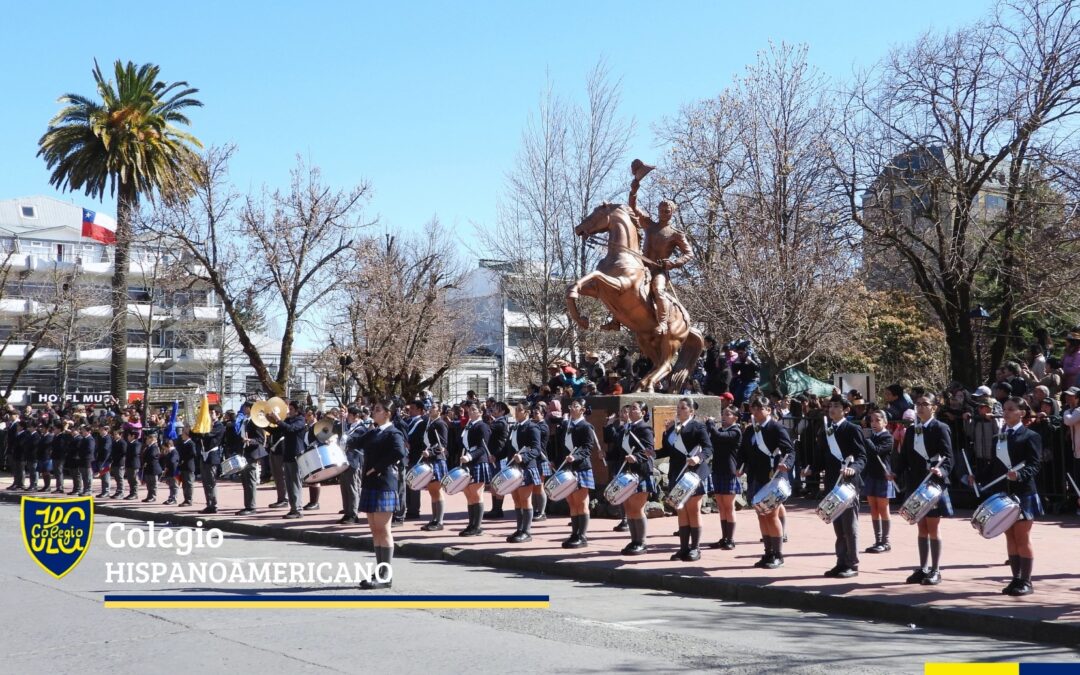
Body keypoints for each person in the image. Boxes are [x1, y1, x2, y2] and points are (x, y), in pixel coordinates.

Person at [965, 397, 1043, 595]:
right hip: (1003, 493)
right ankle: (1015, 579)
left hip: (1023, 491)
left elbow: (1035, 464)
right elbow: (994, 466)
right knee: (1009, 536)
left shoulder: (1030, 436)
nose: (1006, 412)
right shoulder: (999, 437)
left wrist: (1019, 475)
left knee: (1022, 537)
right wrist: (978, 477)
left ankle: (1026, 581)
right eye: (1004, 409)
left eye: (1010, 409)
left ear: (1022, 413)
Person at [891, 393, 953, 586]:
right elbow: (905, 457)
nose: (920, 407)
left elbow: (949, 456)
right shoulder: (911, 431)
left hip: (933, 483)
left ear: (934, 407)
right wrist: (895, 472)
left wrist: (941, 470)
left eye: (925, 404)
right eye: (918, 404)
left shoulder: (941, 428)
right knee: (921, 526)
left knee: (933, 527)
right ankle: (923, 567)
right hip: (916, 482)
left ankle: (936, 570)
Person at [803, 396, 867, 578]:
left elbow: (862, 457)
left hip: (848, 484)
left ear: (846, 410)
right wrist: (811, 469)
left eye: (836, 406)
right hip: (832, 482)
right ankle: (841, 562)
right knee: (838, 526)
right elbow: (821, 458)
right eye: (830, 406)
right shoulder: (826, 432)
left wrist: (852, 469)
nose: (832, 409)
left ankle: (852, 564)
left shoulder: (852, 429)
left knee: (849, 526)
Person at [625, 172, 693, 335]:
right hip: (642, 265)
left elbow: (689, 253)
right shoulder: (649, 224)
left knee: (659, 290)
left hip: (659, 270)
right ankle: (615, 320)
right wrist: (634, 189)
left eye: (667, 210)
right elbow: (633, 207)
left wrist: (673, 262)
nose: (663, 212)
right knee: (622, 281)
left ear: (672, 212)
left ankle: (662, 323)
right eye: (661, 210)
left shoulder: (676, 233)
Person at [737, 395, 795, 569]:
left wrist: (786, 464)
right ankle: (767, 552)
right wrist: (739, 466)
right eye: (753, 408)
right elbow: (743, 452)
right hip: (756, 476)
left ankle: (778, 554)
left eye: (759, 408)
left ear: (768, 410)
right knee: (761, 514)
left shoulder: (776, 428)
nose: (755, 411)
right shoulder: (749, 430)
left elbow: (789, 450)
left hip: (773, 477)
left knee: (772, 514)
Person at [358, 400, 407, 590]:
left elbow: (399, 452)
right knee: (374, 529)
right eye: (374, 409)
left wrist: (377, 468)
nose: (373, 411)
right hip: (371, 483)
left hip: (384, 483)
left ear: (387, 413)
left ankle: (386, 575)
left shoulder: (393, 432)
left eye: (377, 409)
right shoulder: (373, 431)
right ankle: (379, 570)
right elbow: (357, 443)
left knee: (383, 529)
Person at [659, 397, 713, 562]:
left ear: (691, 411)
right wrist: (651, 453)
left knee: (693, 510)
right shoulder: (672, 429)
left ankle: (695, 549)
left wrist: (698, 458)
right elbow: (667, 451)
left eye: (683, 408)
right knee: (681, 510)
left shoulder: (698, 426)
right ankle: (683, 548)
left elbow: (708, 448)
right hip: (677, 472)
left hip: (693, 473)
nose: (679, 410)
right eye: (678, 407)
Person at [553, 398, 597, 548]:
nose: (571, 408)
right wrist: (556, 461)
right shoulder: (566, 425)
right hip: (567, 467)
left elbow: (588, 448)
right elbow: (560, 446)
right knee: (571, 501)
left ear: (582, 410)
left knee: (581, 502)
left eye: (575, 406)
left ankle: (582, 535)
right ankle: (574, 533)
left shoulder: (586, 426)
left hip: (581, 467)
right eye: (571, 406)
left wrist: (575, 456)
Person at [501, 402, 544, 543]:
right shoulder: (514, 427)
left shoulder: (532, 427)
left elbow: (537, 449)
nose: (517, 412)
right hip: (513, 468)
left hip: (526, 467)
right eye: (516, 410)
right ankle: (519, 529)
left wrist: (523, 457)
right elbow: (509, 447)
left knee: (525, 499)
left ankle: (526, 531)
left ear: (526, 412)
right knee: (516, 499)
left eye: (519, 410)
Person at [616, 401, 655, 555]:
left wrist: (637, 457)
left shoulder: (645, 429)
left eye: (634, 409)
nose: (631, 411)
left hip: (641, 472)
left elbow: (649, 451)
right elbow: (619, 450)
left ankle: (642, 542)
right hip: (626, 472)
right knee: (629, 509)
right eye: (630, 408)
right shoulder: (625, 428)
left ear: (643, 412)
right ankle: (634, 540)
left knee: (637, 508)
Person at [706, 405, 742, 550]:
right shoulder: (719, 430)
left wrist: (711, 425)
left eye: (728, 414)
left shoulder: (736, 431)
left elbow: (720, 437)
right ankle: (724, 537)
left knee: (729, 506)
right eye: (723, 413)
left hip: (729, 471)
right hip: (718, 469)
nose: (724, 416)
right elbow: (712, 440)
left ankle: (730, 539)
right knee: (721, 506)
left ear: (735, 417)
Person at [863, 409, 896, 553]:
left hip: (883, 475)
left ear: (885, 422)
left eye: (878, 420)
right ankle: (878, 540)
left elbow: (877, 450)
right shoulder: (871, 437)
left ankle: (886, 541)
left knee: (883, 508)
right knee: (873, 508)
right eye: (872, 420)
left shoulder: (887, 437)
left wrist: (867, 439)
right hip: (871, 475)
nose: (874, 423)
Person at [458, 402, 492, 536]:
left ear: (480, 412)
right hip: (468, 462)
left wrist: (470, 456)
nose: (470, 412)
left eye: (473, 410)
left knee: (476, 494)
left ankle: (477, 526)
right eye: (469, 410)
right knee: (468, 494)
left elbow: (483, 448)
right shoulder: (469, 426)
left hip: (478, 462)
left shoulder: (482, 426)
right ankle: (471, 524)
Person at [268, 401, 307, 519]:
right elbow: (277, 431)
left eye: (291, 409)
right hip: (287, 454)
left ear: (297, 410)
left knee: (295, 483)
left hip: (296, 454)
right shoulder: (289, 420)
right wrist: (266, 421)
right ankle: (293, 508)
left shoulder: (300, 420)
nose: (289, 411)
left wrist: (278, 419)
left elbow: (290, 429)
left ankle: (298, 509)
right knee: (289, 484)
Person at [419, 403, 449, 531]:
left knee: (437, 490)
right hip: (430, 459)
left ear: (440, 411)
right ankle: (434, 519)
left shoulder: (440, 424)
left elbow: (442, 444)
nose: (430, 410)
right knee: (432, 491)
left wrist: (430, 452)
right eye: (430, 408)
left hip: (437, 459)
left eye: (434, 408)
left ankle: (440, 521)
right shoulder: (429, 423)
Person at [604, 407, 631, 532]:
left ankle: (631, 519)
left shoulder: (635, 428)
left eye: (625, 412)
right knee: (621, 492)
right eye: (620, 412)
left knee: (630, 495)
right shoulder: (621, 428)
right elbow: (611, 440)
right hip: (620, 463)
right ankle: (624, 518)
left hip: (632, 464)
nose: (622, 414)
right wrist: (609, 424)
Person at [237, 405, 268, 516]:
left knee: (250, 481)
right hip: (245, 454)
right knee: (245, 481)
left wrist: (250, 440)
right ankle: (247, 506)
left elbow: (260, 439)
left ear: (250, 408)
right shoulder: (245, 421)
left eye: (245, 407)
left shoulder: (255, 422)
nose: (244, 410)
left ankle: (251, 507)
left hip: (252, 454)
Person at [339, 406, 367, 525]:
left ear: (355, 416)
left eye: (349, 415)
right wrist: (342, 420)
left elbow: (351, 440)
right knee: (344, 488)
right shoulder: (349, 426)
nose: (347, 417)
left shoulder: (361, 428)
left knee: (352, 488)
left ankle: (353, 514)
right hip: (344, 460)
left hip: (354, 460)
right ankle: (347, 512)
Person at [194, 409, 225, 514]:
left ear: (218, 414)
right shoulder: (206, 425)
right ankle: (209, 504)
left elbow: (208, 435)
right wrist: (191, 430)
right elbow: (197, 437)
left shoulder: (219, 426)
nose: (210, 415)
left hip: (212, 456)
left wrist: (200, 431)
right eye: (209, 413)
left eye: (212, 413)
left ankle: (214, 505)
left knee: (211, 481)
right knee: (205, 482)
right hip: (204, 455)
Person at [486, 401, 512, 520]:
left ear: (502, 411)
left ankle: (498, 509)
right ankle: (494, 508)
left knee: (499, 483)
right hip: (494, 456)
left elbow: (488, 428)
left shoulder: (501, 423)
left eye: (496, 408)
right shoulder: (497, 422)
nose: (493, 409)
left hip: (498, 456)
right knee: (493, 483)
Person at [177, 428, 197, 507]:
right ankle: (186, 499)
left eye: (183, 434)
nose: (181, 435)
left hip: (188, 466)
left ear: (187, 435)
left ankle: (189, 500)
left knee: (188, 483)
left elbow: (193, 454)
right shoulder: (183, 443)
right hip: (183, 466)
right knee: (184, 484)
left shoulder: (191, 443)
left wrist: (184, 460)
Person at [141, 431, 162, 503]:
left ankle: (153, 496)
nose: (147, 440)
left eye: (149, 438)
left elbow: (152, 455)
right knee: (149, 484)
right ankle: (149, 496)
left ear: (153, 439)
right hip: (148, 468)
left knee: (153, 484)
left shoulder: (155, 446)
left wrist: (146, 461)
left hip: (153, 468)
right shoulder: (148, 447)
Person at [161, 438, 180, 505]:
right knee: (171, 486)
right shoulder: (169, 452)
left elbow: (172, 461)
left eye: (165, 448)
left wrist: (167, 466)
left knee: (174, 486)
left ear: (168, 445)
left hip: (174, 472)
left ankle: (174, 498)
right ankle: (171, 497)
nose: (164, 449)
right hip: (169, 471)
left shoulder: (174, 452)